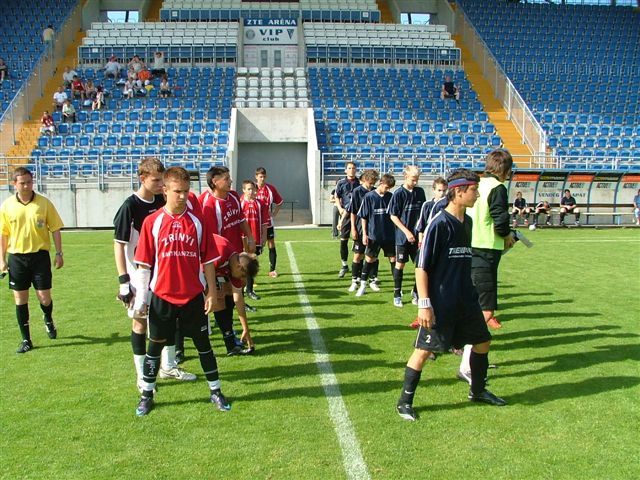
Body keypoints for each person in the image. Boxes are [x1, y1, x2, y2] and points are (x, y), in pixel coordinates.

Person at [396, 168, 506, 422]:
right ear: (458, 192)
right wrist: (425, 304)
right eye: (474, 190)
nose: (477, 195)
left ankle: (477, 390)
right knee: (423, 352)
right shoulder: (439, 223)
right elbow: (421, 267)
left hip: (466, 300)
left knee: (483, 342)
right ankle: (404, 402)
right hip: (441, 303)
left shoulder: (467, 222)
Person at [131, 166, 230, 416]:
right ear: (165, 190)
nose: (183, 196)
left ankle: (216, 391)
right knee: (155, 347)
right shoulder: (152, 222)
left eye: (186, 191)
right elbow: (144, 264)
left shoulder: (197, 222)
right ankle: (146, 394)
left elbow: (208, 261)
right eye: (177, 191)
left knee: (203, 345)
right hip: (162, 297)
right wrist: (142, 298)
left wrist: (211, 292)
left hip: (192, 296)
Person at [113, 158, 196, 393]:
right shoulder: (129, 206)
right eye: (156, 180)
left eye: (162, 181)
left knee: (168, 320)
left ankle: (168, 367)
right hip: (138, 275)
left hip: (161, 274)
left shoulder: (162, 201)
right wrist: (124, 281)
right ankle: (142, 375)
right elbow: (119, 244)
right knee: (139, 322)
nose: (161, 185)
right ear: (143, 179)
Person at [0, 167, 64, 353]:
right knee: (20, 299)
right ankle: (26, 340)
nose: (27, 186)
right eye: (22, 183)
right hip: (17, 258)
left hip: (39, 257)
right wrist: (2, 260)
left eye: (29, 182)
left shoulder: (44, 203)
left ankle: (48, 318)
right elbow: (3, 234)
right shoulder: (7, 206)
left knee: (44, 297)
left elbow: (55, 228)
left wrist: (59, 253)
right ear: (14, 184)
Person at [199, 166, 255, 354]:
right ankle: (182, 346)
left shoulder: (233, 197)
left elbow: (240, 220)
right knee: (217, 300)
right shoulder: (208, 205)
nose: (230, 181)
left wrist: (250, 237)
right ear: (214, 182)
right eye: (226, 178)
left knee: (232, 298)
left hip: (233, 258)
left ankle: (231, 338)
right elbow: (209, 240)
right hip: (216, 260)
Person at [467, 149, 516, 330]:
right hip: (486, 249)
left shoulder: (476, 184)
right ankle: (467, 343)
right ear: (506, 169)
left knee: (470, 299)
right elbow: (500, 220)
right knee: (486, 309)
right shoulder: (497, 188)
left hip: (469, 245)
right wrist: (507, 235)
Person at [211, 233, 259, 355]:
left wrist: (246, 329)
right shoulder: (220, 253)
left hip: (210, 272)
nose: (242, 280)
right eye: (243, 276)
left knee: (227, 301)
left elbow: (238, 299)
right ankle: (179, 350)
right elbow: (199, 270)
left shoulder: (235, 264)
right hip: (191, 266)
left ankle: (230, 345)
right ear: (239, 267)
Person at [410, 176, 448, 328]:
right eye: (439, 190)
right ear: (433, 190)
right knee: (424, 274)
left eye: (444, 190)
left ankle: (439, 316)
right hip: (427, 245)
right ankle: (421, 312)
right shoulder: (427, 205)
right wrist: (421, 242)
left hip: (441, 248)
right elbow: (421, 226)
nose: (442, 193)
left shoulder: (447, 205)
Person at [388, 165, 426, 308]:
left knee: (421, 265)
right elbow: (393, 216)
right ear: (405, 177)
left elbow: (423, 214)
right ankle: (397, 294)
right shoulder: (398, 194)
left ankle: (416, 292)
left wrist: (421, 233)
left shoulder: (420, 192)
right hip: (403, 237)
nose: (415, 182)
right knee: (400, 264)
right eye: (413, 179)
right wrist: (407, 232)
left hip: (418, 237)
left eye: (417, 179)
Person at [357, 173, 396, 297]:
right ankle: (363, 285)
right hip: (374, 235)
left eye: (389, 188)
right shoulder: (369, 197)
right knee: (369, 259)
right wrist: (364, 234)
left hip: (389, 234)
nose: (387, 190)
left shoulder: (391, 197)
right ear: (381, 183)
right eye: (386, 187)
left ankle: (397, 287)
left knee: (393, 259)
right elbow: (364, 216)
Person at [347, 169, 379, 293]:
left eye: (373, 183)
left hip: (373, 228)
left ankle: (373, 280)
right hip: (360, 228)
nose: (371, 185)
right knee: (358, 255)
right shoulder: (357, 191)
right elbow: (353, 211)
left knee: (372, 256)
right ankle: (355, 280)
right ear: (365, 180)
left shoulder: (376, 191)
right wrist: (353, 228)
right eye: (370, 183)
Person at [240, 180, 269, 300]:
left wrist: (264, 236)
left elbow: (264, 222)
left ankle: (250, 290)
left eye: (253, 189)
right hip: (243, 239)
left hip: (256, 238)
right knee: (242, 265)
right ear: (243, 190)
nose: (251, 191)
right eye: (249, 189)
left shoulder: (260, 204)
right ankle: (241, 292)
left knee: (251, 264)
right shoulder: (240, 203)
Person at [255, 167, 284, 278]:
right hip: (254, 222)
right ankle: (252, 272)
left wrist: (274, 213)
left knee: (271, 243)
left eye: (263, 176)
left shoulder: (270, 189)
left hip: (267, 222)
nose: (262, 179)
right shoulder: (251, 188)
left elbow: (280, 202)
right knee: (253, 246)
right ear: (256, 177)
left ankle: (272, 270)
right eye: (260, 177)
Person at [335, 162, 360, 278]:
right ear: (345, 170)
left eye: (353, 168)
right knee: (343, 240)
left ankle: (359, 266)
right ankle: (344, 265)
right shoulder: (341, 183)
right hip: (345, 214)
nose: (352, 170)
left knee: (359, 240)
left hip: (358, 215)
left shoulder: (360, 182)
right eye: (349, 168)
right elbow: (337, 196)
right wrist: (339, 208)